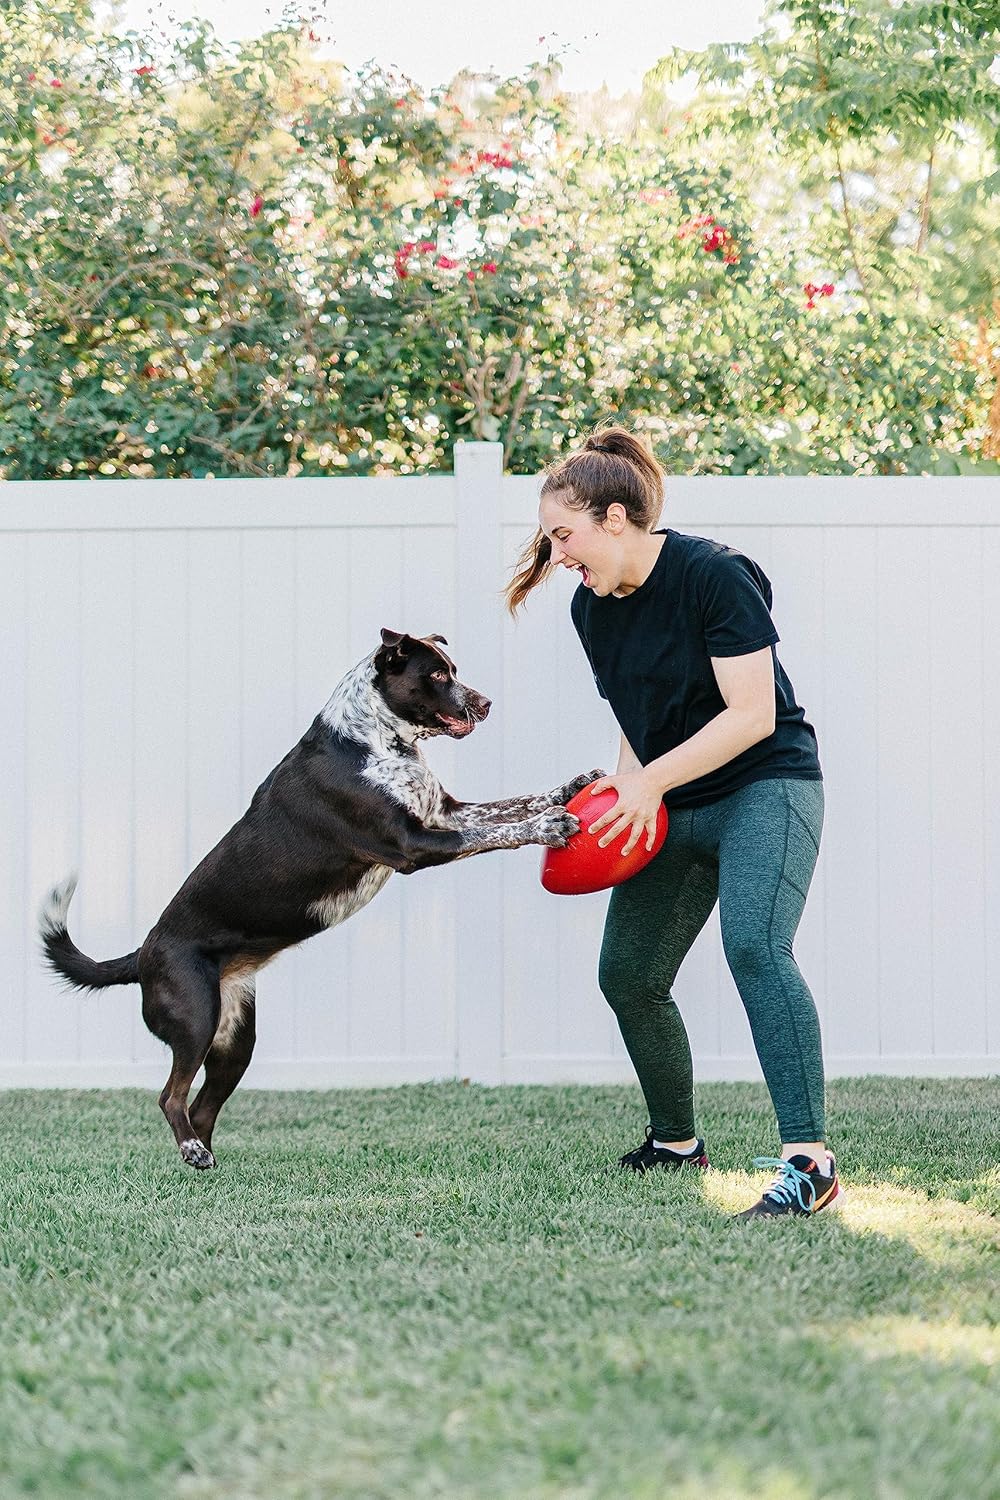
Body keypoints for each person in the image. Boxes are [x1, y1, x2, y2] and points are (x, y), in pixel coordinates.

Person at [505, 427, 841, 1219]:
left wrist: (646, 784)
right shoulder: (594, 611)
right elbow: (638, 719)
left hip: (767, 787)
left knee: (756, 946)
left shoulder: (713, 575)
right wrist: (625, 795)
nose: (558, 557)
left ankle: (810, 1162)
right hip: (670, 803)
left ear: (615, 518)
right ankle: (676, 1142)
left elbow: (753, 715)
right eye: (550, 541)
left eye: (565, 535)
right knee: (628, 974)